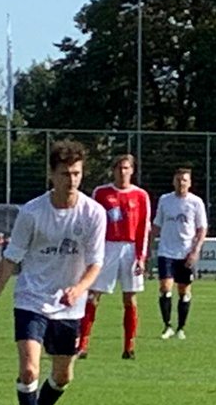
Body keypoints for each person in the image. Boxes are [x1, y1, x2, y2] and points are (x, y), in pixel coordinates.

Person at [0, 140, 106, 405]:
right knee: (30, 369)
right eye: (65, 173)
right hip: (31, 298)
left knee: (63, 376)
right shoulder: (32, 212)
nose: (71, 180)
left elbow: (96, 263)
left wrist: (79, 288)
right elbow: (10, 259)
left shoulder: (93, 213)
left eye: (77, 173)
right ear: (51, 175)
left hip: (69, 307)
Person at [78, 154, 151, 360]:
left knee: (130, 297)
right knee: (94, 294)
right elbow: (92, 223)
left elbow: (143, 228)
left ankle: (129, 347)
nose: (123, 172)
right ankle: (82, 344)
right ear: (113, 170)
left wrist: (141, 256)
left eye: (126, 168)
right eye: (119, 168)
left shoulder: (140, 195)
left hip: (129, 249)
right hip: (107, 247)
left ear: (132, 170)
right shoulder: (101, 193)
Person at [153, 167, 208, 340]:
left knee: (184, 291)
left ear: (189, 183)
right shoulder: (165, 200)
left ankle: (181, 328)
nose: (181, 183)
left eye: (184, 180)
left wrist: (195, 251)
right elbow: (157, 225)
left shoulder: (196, 202)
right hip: (166, 251)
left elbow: (201, 228)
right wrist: (146, 245)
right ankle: (167, 326)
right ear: (173, 181)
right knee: (165, 288)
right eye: (178, 179)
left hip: (185, 253)